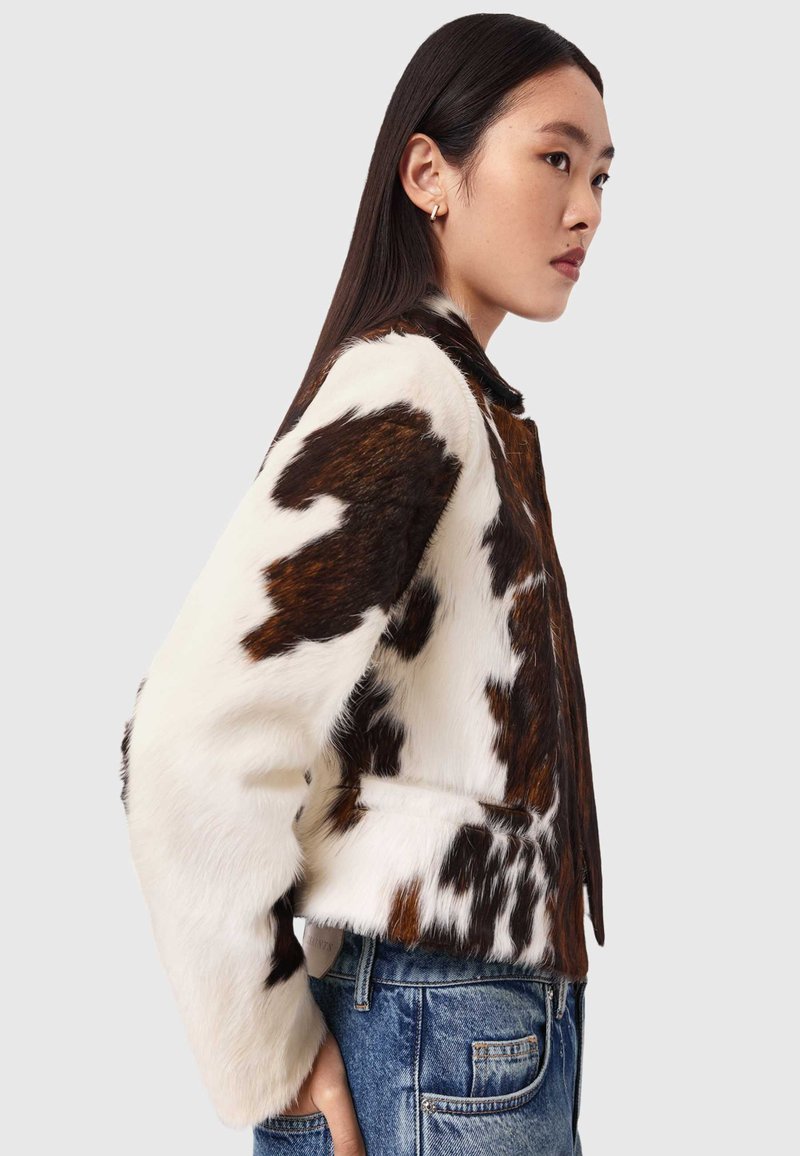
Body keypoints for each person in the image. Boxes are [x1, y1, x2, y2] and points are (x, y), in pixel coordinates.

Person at [118, 13, 613, 1156]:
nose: (585, 207)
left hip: (458, 1015)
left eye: (599, 174)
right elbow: (188, 743)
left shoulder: (457, 397)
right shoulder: (410, 391)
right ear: (428, 174)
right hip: (437, 1017)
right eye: (553, 157)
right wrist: (269, 1051)